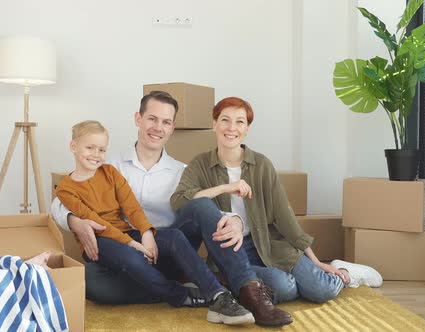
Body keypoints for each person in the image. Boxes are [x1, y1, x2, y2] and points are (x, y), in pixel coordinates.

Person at [52, 91, 286, 326]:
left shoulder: (182, 170)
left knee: (199, 205)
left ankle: (248, 290)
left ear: (172, 127)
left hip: (168, 250)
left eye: (165, 122)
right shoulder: (106, 163)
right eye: (152, 119)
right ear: (138, 119)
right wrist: (74, 220)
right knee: (91, 281)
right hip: (120, 252)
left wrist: (234, 219)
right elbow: (61, 201)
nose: (158, 127)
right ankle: (193, 289)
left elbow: (206, 207)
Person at [170, 96, 384, 326]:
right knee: (285, 287)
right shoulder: (200, 164)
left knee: (322, 290)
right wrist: (225, 188)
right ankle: (241, 282)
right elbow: (179, 201)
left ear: (247, 128)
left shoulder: (261, 165)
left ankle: (346, 272)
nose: (232, 128)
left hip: (272, 243)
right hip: (232, 250)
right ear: (214, 124)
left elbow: (285, 216)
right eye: (225, 120)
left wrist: (317, 262)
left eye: (240, 122)